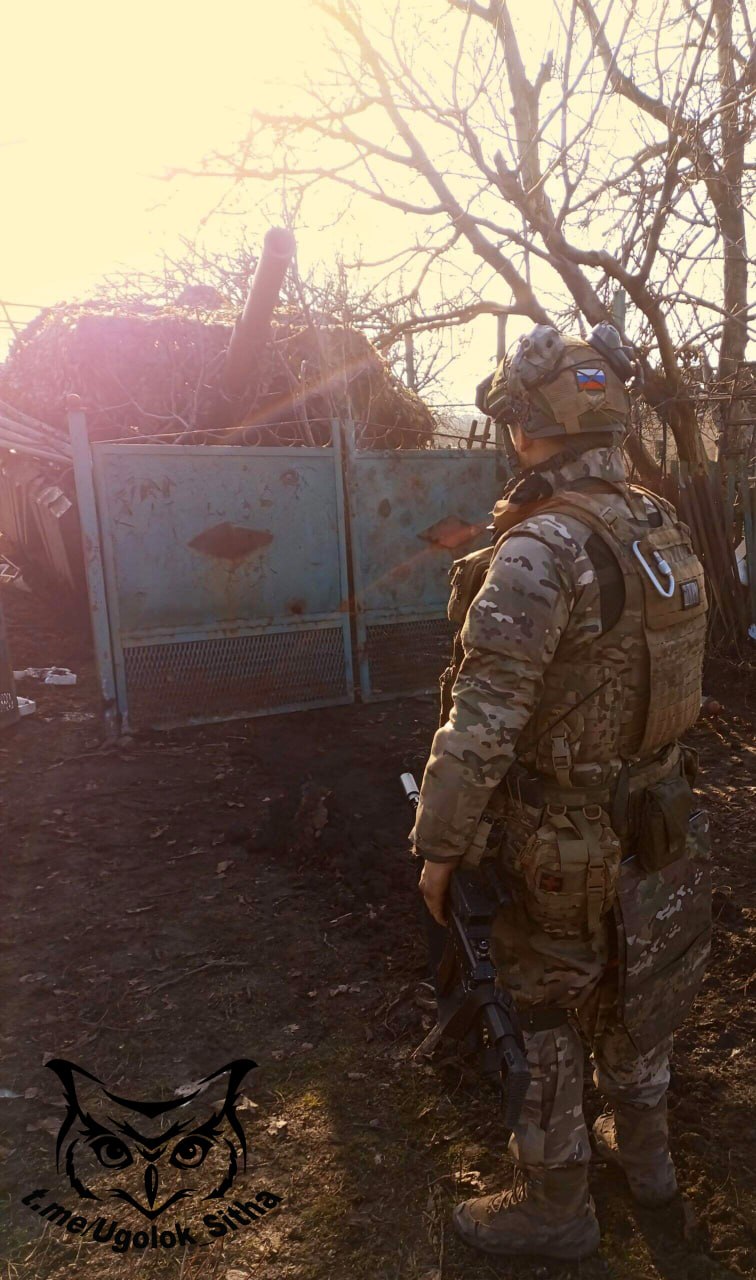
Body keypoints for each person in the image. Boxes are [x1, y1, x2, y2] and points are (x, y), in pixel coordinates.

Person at [411, 323, 711, 1261]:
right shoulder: (660, 526)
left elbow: (485, 716)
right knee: (640, 989)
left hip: (561, 838)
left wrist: (439, 846)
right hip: (657, 815)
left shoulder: (541, 547)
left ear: (528, 428)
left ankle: (556, 1208)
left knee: (542, 1012)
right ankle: (650, 1166)